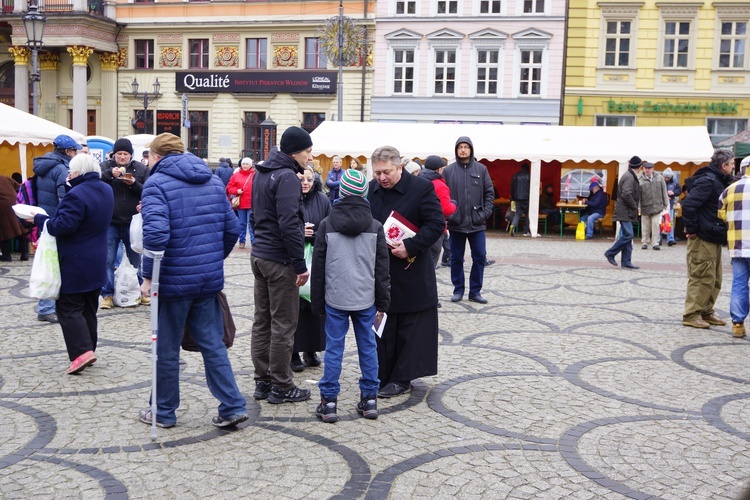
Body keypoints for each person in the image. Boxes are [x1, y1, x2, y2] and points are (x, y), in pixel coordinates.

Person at [139, 133, 247, 428]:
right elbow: (232, 229)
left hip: (173, 281)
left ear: (156, 157)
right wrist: (211, 260)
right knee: (212, 344)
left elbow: (156, 236)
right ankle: (233, 405)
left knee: (166, 349)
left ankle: (162, 411)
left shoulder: (156, 184)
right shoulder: (212, 181)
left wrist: (147, 275)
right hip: (205, 279)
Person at [310, 169, 390, 423]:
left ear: (341, 193)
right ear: (365, 194)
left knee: (334, 348)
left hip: (335, 296)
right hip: (366, 297)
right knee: (368, 347)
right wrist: (383, 301)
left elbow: (319, 268)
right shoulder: (376, 226)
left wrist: (317, 302)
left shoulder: (326, 224)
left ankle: (329, 401)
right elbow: (382, 268)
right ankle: (369, 399)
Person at [368, 145, 444, 398]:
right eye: (377, 172)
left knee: (409, 327)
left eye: (386, 172)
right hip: (381, 270)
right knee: (383, 325)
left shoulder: (421, 188)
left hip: (411, 269)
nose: (382, 178)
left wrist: (410, 245)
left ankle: (402, 377)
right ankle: (382, 373)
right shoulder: (372, 189)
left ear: (399, 166)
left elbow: (436, 224)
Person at [29, 154, 114, 374]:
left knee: (68, 307)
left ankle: (81, 352)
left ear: (77, 173)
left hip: (76, 261)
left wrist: (40, 219)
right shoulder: (106, 189)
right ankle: (89, 349)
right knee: (88, 308)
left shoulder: (76, 194)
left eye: (70, 173)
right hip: (97, 259)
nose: (68, 176)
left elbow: (61, 226)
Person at [250, 126, 312, 404]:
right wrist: (299, 264)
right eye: (308, 152)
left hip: (260, 255)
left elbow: (254, 216)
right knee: (283, 324)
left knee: (262, 322)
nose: (310, 158)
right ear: (295, 152)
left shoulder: (262, 173)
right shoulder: (287, 177)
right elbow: (289, 223)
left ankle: (263, 382)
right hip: (279, 260)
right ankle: (282, 386)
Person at [681, 149, 734, 329]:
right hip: (703, 237)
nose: (734, 167)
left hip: (714, 236)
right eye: (732, 164)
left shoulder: (718, 180)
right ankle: (692, 314)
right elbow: (688, 205)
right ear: (723, 165)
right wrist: (693, 229)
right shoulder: (708, 181)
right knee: (701, 276)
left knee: (714, 277)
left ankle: (706, 311)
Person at [32, 134, 81, 323]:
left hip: (45, 218)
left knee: (49, 262)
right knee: (54, 265)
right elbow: (64, 197)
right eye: (74, 151)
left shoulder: (43, 166)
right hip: (55, 221)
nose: (75, 153)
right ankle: (46, 307)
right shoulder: (62, 168)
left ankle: (48, 306)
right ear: (68, 151)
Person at [442, 136, 495, 304]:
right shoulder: (448, 171)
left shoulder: (481, 169)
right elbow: (443, 196)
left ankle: (475, 291)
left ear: (471, 149)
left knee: (480, 256)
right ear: (456, 150)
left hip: (477, 223)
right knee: (456, 258)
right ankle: (458, 290)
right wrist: (451, 215)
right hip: (456, 223)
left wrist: (484, 213)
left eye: (466, 147)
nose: (463, 150)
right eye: (460, 147)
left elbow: (489, 193)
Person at [99, 138, 150, 309]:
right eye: (119, 154)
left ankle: (142, 291)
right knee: (108, 259)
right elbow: (96, 185)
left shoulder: (140, 169)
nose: (122, 157)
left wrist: (134, 183)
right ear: (114, 154)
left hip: (132, 221)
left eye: (125, 154)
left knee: (136, 258)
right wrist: (108, 176)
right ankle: (107, 294)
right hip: (110, 221)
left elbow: (148, 190)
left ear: (130, 155)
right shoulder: (105, 167)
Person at [291, 164, 330, 372]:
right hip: (294, 259)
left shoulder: (323, 200)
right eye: (301, 180)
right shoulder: (289, 198)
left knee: (315, 308)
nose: (305, 183)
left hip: (317, 256)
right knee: (294, 308)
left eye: (308, 179)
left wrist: (315, 236)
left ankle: (311, 349)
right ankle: (293, 352)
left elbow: (329, 225)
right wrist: (299, 233)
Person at [719, 169, 750, 338]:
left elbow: (721, 213)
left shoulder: (730, 189)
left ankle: (737, 324)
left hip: (737, 244)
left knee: (739, 284)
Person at [418, 155, 457, 269]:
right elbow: (446, 209)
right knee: (433, 255)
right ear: (439, 169)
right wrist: (454, 204)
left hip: (419, 225)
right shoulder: (440, 185)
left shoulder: (419, 180)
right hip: (435, 225)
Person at [604, 156, 642, 269]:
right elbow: (626, 193)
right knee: (629, 234)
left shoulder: (629, 175)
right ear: (639, 167)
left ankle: (626, 261)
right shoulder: (630, 177)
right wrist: (635, 206)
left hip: (625, 211)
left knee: (627, 236)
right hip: (624, 211)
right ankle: (610, 253)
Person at [639, 162, 668, 250]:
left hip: (657, 205)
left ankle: (655, 242)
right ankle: (645, 242)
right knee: (645, 225)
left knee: (655, 224)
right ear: (643, 169)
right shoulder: (639, 179)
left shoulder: (659, 178)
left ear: (653, 169)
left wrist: (665, 203)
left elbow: (664, 190)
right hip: (645, 206)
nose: (647, 170)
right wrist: (638, 206)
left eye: (649, 168)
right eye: (645, 168)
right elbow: (638, 195)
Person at [226, 157, 255, 248]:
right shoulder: (236, 175)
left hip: (251, 203)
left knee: (251, 224)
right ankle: (242, 241)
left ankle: (253, 241)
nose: (245, 166)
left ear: (250, 165)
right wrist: (236, 191)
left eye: (247, 164)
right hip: (241, 203)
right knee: (242, 223)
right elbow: (230, 187)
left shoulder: (255, 175)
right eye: (244, 164)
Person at [0, 175, 26, 262]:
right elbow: (19, 187)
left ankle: (6, 256)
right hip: (15, 202)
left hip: (2, 206)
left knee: (3, 232)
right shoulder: (5, 177)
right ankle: (25, 253)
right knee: (21, 228)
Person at [661, 168, 682, 246]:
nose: (666, 179)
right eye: (665, 177)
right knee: (660, 222)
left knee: (670, 222)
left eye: (668, 178)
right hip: (661, 205)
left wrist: (673, 193)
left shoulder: (675, 181)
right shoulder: (660, 180)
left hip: (670, 205)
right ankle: (659, 240)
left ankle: (670, 239)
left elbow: (679, 190)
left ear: (671, 177)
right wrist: (664, 196)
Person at [510, 162, 531, 236]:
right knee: (527, 214)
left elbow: (512, 187)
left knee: (517, 214)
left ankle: (513, 225)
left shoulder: (515, 175)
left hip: (517, 198)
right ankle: (526, 231)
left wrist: (512, 197)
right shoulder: (529, 175)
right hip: (527, 198)